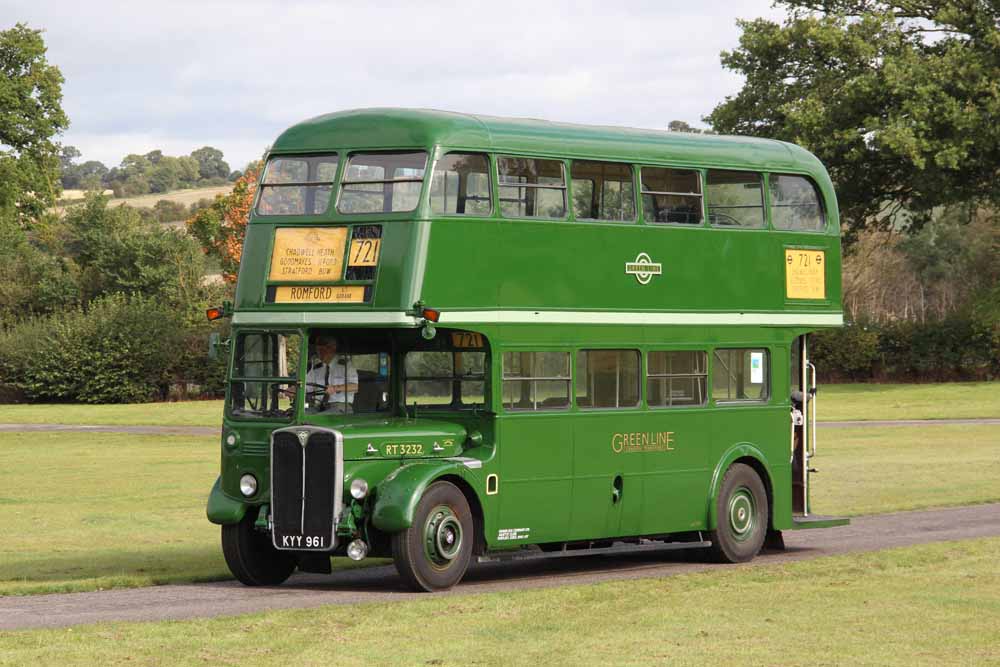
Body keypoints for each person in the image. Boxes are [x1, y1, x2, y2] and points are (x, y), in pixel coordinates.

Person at [306, 335, 358, 414]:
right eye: (318, 349)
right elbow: (307, 387)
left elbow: (355, 387)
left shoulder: (346, 365)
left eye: (323, 349)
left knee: (317, 420)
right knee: (302, 416)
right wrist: (294, 390)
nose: (320, 353)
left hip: (341, 407)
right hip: (319, 406)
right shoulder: (316, 368)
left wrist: (335, 388)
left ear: (333, 348)